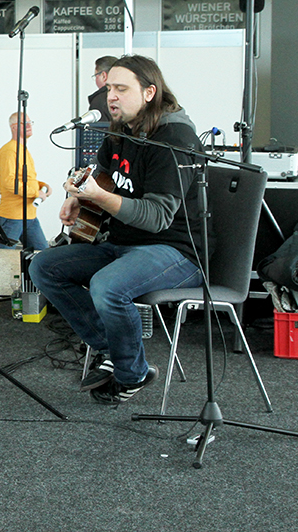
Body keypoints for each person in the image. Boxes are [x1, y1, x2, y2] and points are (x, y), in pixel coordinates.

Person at [29, 55, 204, 405]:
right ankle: (114, 349)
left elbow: (156, 217)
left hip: (176, 251)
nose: (112, 96)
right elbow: (105, 181)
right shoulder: (120, 131)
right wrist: (80, 200)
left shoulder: (175, 138)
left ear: (150, 92)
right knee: (43, 267)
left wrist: (99, 196)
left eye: (122, 89)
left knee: (107, 286)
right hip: (123, 243)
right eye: (109, 88)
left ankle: (130, 374)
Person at [0, 112, 51, 251]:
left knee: (41, 255)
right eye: (24, 123)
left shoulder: (22, 150)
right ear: (13, 127)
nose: (29, 126)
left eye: (30, 122)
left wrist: (42, 186)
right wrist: (35, 192)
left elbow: (25, 178)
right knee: (3, 260)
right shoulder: (9, 151)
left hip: (29, 215)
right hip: (12, 216)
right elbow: (9, 183)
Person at [87, 55, 117, 122]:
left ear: (103, 76)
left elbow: (99, 130)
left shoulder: (98, 101)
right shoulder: (126, 96)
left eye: (96, 76)